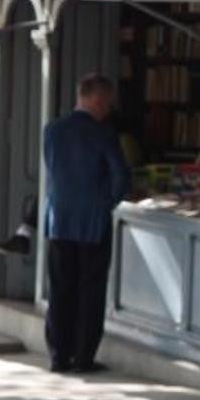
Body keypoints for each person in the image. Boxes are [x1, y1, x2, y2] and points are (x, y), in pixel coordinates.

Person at [43, 74, 129, 373]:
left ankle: (58, 355)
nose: (108, 109)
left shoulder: (53, 130)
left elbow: (53, 170)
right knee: (90, 291)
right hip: (93, 223)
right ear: (98, 99)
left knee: (60, 289)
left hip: (59, 220)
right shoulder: (103, 133)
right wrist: (107, 202)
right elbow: (121, 176)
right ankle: (83, 357)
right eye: (107, 103)